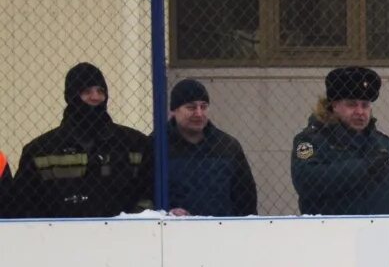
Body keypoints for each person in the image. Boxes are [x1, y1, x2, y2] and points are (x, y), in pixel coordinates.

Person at [10, 62, 154, 218]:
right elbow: (22, 204)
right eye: (87, 91)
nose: (96, 97)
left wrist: (133, 223)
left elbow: (150, 193)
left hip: (124, 236)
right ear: (71, 96)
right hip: (59, 237)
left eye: (101, 91)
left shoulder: (135, 144)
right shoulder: (40, 151)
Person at [292, 66, 389, 215]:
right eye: (352, 104)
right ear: (334, 105)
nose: (360, 112)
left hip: (379, 232)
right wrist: (364, 168)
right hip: (327, 233)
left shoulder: (384, 144)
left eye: (365, 105)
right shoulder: (311, 140)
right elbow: (307, 182)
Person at [164, 78, 257, 217]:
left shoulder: (228, 147)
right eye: (191, 107)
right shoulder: (156, 146)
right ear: (174, 111)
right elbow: (143, 197)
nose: (199, 113)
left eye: (204, 106)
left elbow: (246, 199)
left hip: (221, 233)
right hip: (169, 233)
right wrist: (164, 214)